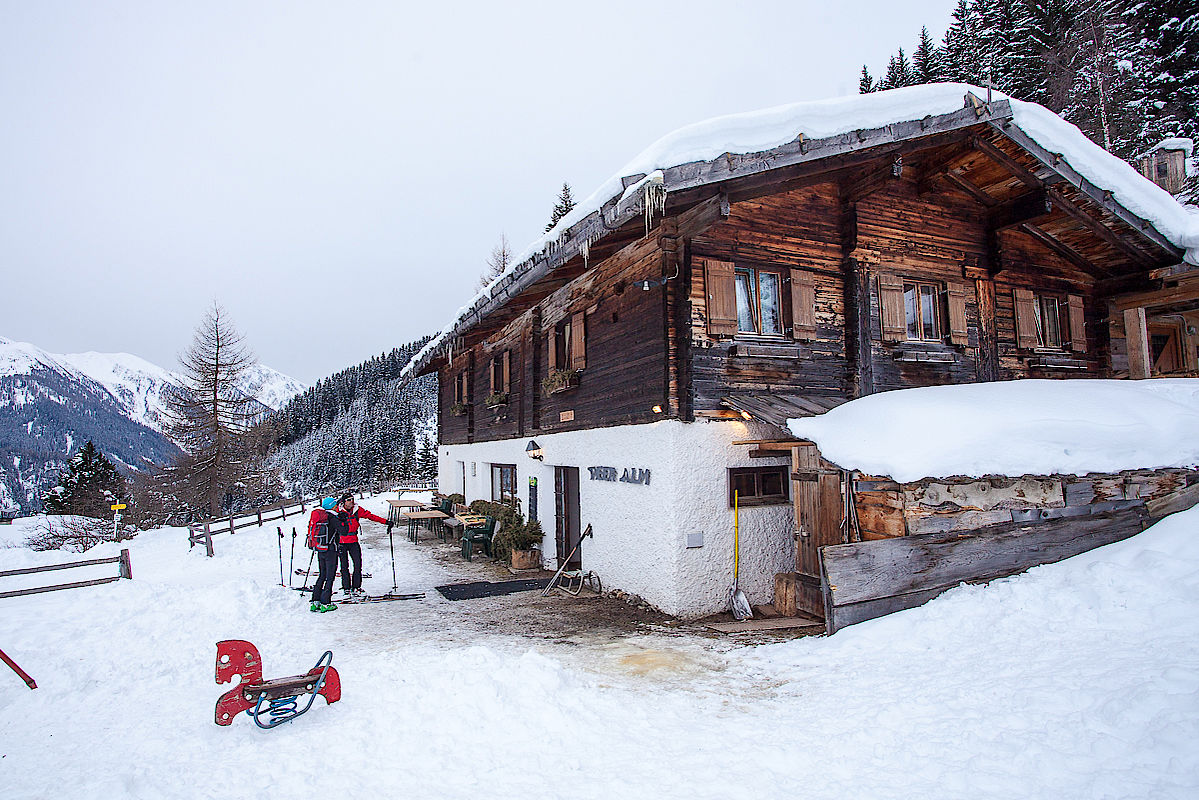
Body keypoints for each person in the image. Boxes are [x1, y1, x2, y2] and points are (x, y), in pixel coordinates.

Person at [337, 492, 388, 598]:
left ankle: (356, 587)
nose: (351, 502)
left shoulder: (357, 510)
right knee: (344, 566)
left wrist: (386, 522)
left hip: (353, 541)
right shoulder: (338, 511)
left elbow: (371, 516)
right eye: (349, 500)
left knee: (357, 564)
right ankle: (346, 588)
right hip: (341, 541)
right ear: (344, 501)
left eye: (352, 499)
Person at [308, 497, 347, 612]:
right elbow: (344, 531)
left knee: (322, 575)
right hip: (331, 550)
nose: (337, 507)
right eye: (335, 505)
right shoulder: (333, 518)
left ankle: (315, 601)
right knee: (330, 576)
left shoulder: (322, 517)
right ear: (332, 506)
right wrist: (343, 520)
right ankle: (326, 602)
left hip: (321, 549)